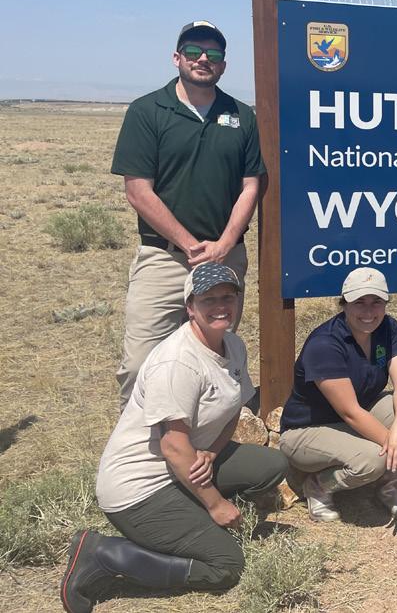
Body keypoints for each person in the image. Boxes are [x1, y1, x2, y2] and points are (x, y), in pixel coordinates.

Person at [61, 263, 286, 613]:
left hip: (185, 466)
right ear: (190, 307)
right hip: (139, 487)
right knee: (227, 565)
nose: (221, 306)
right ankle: (105, 553)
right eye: (209, 299)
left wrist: (212, 451)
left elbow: (233, 409)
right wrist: (215, 504)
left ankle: (191, 519)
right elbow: (172, 445)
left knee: (272, 464)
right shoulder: (177, 362)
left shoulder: (232, 345)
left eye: (228, 297)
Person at [110, 21, 265, 411]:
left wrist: (225, 243)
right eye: (194, 51)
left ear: (223, 65)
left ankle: (207, 435)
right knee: (141, 363)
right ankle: (142, 441)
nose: (203, 59)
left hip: (225, 258)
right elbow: (138, 190)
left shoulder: (240, 116)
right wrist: (190, 245)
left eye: (213, 54)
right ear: (177, 57)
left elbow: (251, 186)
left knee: (213, 353)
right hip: (165, 258)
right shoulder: (147, 111)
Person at [279, 267, 397, 522]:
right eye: (359, 302)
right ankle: (318, 486)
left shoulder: (389, 328)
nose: (369, 312)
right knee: (373, 460)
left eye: (376, 302)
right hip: (308, 429)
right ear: (344, 304)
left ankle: (387, 486)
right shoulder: (325, 344)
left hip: (357, 414)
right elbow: (350, 412)